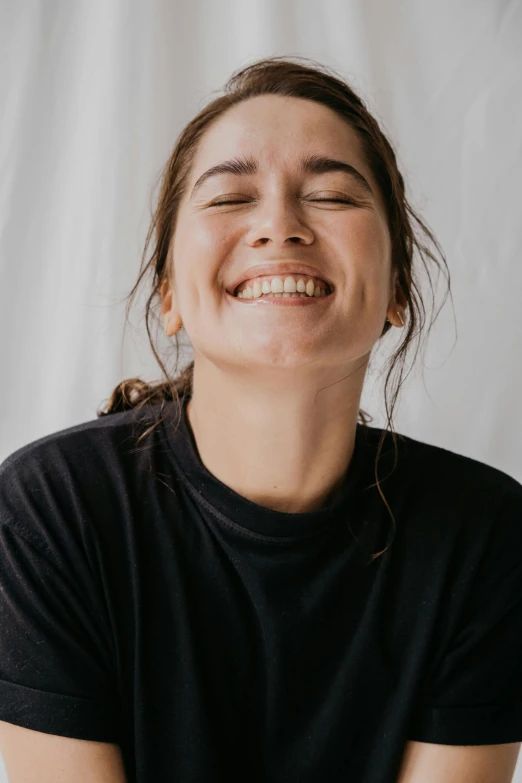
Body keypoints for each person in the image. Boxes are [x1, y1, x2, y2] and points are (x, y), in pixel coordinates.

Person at [0, 56, 521, 783]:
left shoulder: (486, 533)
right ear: (170, 295)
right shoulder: (48, 511)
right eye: (228, 198)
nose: (279, 224)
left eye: (333, 193)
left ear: (397, 285)